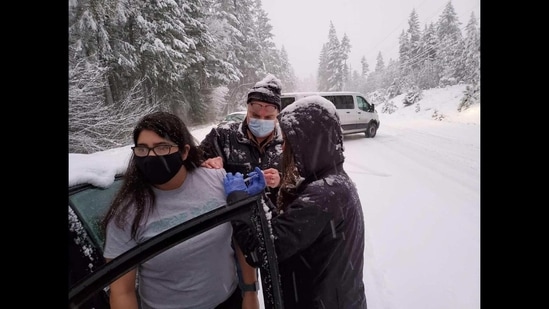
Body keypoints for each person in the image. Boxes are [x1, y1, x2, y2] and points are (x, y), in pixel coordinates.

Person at [101, 111, 259, 309]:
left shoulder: (216, 180)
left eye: (162, 147)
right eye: (143, 149)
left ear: (184, 152)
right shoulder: (127, 214)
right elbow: (122, 291)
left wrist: (250, 292)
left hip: (229, 301)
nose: (151, 156)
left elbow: (240, 239)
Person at [224, 96, 368, 308]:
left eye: (289, 143)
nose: (283, 150)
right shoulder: (332, 182)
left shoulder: (324, 195)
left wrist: (238, 202)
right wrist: (262, 200)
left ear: (308, 143)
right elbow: (288, 231)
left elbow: (262, 251)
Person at [199, 74, 284, 205]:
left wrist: (280, 181)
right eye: (255, 115)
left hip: (274, 219)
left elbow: (300, 181)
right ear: (247, 110)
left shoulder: (287, 142)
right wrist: (206, 164)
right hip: (234, 218)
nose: (261, 121)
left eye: (268, 118)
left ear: (277, 115)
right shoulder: (222, 136)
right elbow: (191, 163)